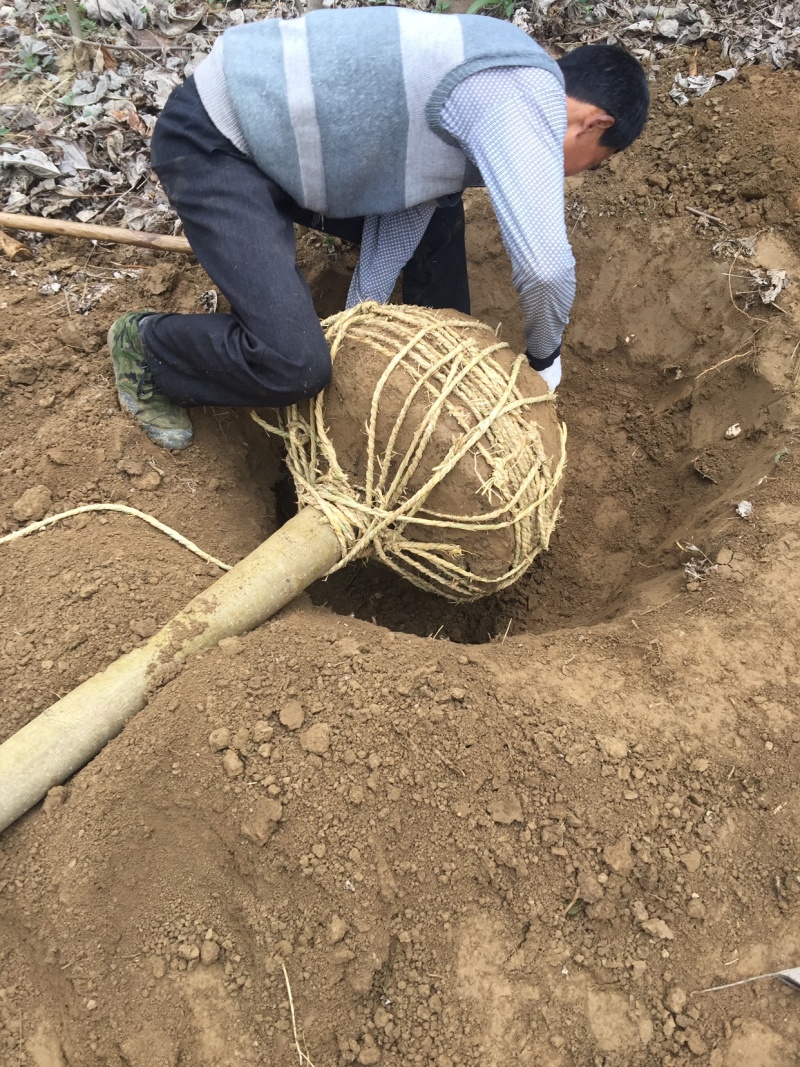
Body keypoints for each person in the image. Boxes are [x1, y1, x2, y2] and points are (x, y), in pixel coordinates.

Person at [108, 8, 649, 450]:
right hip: (218, 141)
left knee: (440, 216)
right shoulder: (519, 93)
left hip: (291, 151)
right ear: (595, 124)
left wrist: (357, 322)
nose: (574, 174)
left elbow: (409, 202)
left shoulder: (502, 76)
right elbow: (546, 267)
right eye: (592, 162)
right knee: (293, 365)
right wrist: (544, 361)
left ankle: (442, 368)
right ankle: (150, 348)